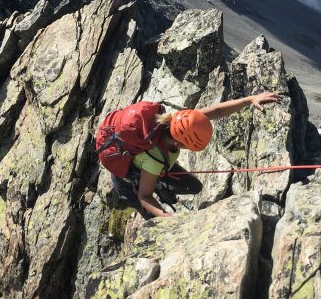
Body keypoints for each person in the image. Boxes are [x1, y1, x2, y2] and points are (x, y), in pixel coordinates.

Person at [114, 91, 282, 218]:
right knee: (151, 216)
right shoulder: (154, 160)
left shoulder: (177, 121)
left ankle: (155, 182)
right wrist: (167, 218)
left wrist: (249, 99)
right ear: (177, 143)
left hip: (152, 165)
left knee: (194, 187)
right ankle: (152, 184)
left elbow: (216, 111)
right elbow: (144, 196)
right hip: (128, 178)